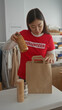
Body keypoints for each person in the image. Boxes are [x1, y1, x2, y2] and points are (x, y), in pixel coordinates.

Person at [11, 8, 55, 82]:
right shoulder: (23, 34)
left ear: (43, 22)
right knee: (23, 93)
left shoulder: (48, 37)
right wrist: (11, 40)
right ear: (28, 25)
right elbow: (5, 48)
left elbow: (52, 56)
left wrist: (51, 56)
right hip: (24, 75)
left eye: (40, 25)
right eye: (33, 27)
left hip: (40, 74)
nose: (37, 30)